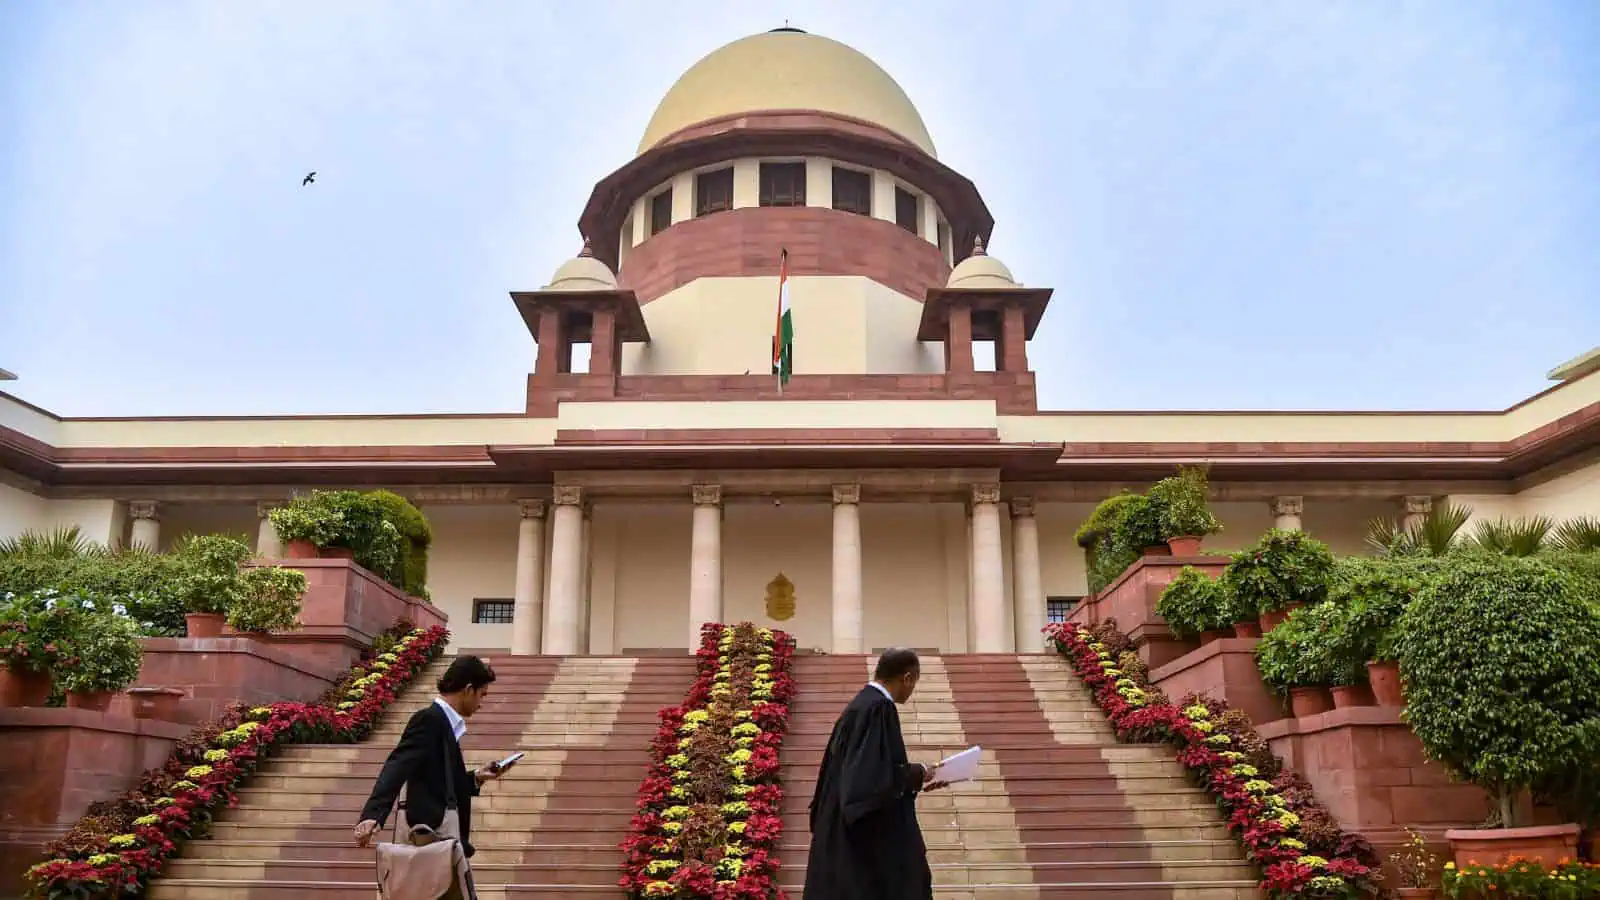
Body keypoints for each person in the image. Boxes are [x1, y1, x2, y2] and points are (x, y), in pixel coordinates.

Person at [803, 647, 945, 900]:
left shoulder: (860, 705)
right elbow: (871, 780)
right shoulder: (879, 708)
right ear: (907, 678)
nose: (912, 690)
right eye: (914, 683)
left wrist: (915, 777)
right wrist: (918, 773)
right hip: (863, 845)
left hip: (838, 829)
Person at [353, 655, 504, 867]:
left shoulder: (445, 723)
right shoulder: (429, 720)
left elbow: (440, 780)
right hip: (430, 836)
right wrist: (373, 814)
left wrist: (476, 778)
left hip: (442, 841)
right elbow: (398, 764)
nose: (481, 704)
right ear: (469, 689)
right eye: (482, 695)